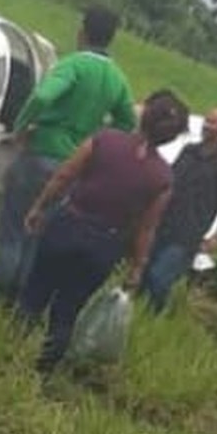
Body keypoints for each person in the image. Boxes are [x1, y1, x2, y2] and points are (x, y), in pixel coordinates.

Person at [19, 90, 190, 374]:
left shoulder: (104, 139)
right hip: (105, 245)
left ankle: (7, 353)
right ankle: (43, 369)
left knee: (35, 293)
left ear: (144, 115)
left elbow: (64, 175)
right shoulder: (163, 178)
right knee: (68, 309)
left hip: (68, 225)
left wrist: (39, 207)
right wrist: (136, 267)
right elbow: (147, 228)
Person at [0, 5, 136, 300]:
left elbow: (42, 96)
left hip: (41, 153)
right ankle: (18, 297)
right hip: (72, 169)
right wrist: (95, 137)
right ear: (111, 38)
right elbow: (128, 122)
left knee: (14, 225)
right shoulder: (117, 79)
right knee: (39, 233)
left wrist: (21, 126)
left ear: (83, 32)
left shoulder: (73, 65)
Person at [139, 107, 217, 312]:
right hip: (164, 222)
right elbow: (169, 179)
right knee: (143, 272)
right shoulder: (189, 151)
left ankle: (154, 314)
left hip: (188, 233)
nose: (206, 125)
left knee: (159, 278)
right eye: (207, 120)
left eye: (213, 123)